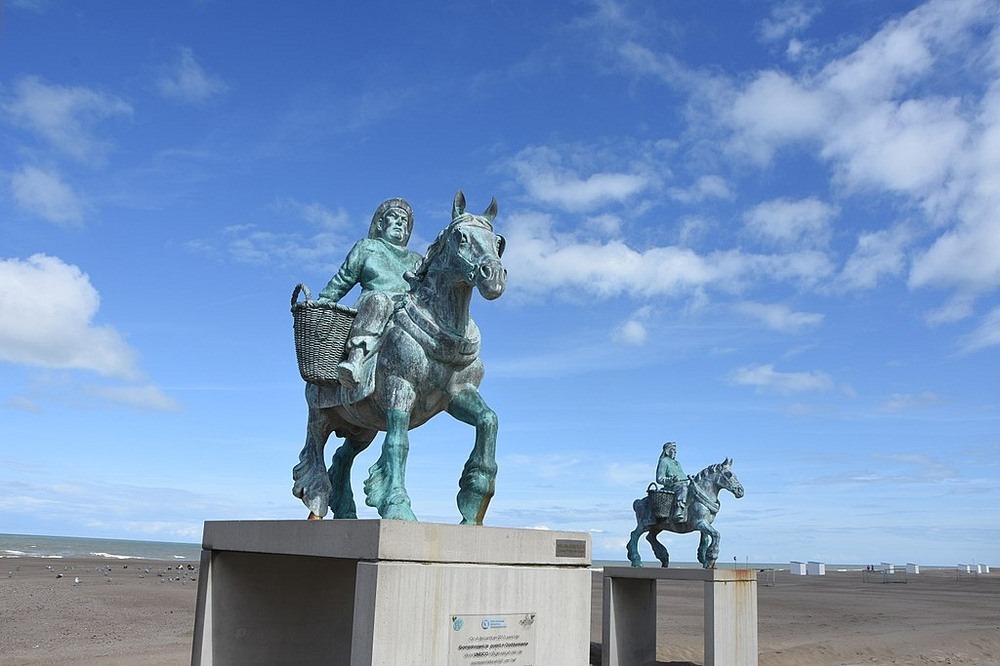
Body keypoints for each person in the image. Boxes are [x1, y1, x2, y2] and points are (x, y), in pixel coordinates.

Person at [319, 197, 422, 389]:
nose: (400, 222)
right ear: (381, 224)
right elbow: (342, 280)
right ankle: (356, 359)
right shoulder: (366, 247)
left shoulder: (417, 260)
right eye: (394, 216)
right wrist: (323, 302)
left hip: (405, 312)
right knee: (379, 300)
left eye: (404, 220)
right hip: (372, 307)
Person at [655, 441, 689, 522]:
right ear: (668, 451)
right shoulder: (664, 461)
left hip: (683, 484)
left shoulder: (677, 463)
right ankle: (678, 511)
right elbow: (659, 479)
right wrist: (671, 480)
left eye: (675, 450)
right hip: (671, 488)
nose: (675, 452)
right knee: (683, 489)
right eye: (673, 450)